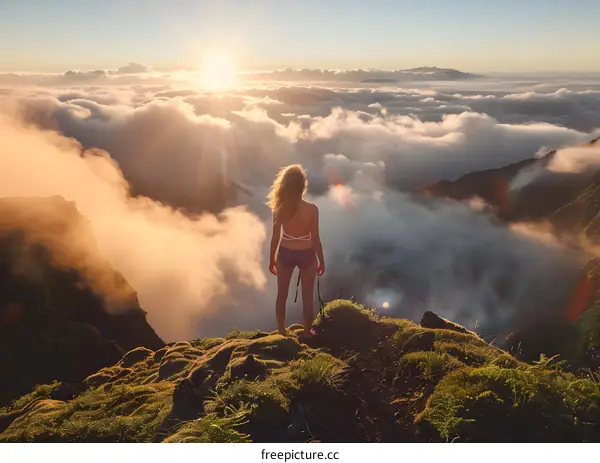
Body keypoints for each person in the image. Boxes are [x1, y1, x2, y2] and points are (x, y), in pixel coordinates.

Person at [266, 164, 325, 337]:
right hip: (307, 254)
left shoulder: (280, 209)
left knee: (281, 295)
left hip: (284, 253)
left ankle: (281, 331)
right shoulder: (312, 210)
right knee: (308, 298)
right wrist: (322, 260)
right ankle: (307, 332)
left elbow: (275, 237)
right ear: (302, 185)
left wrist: (271, 259)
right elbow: (315, 238)